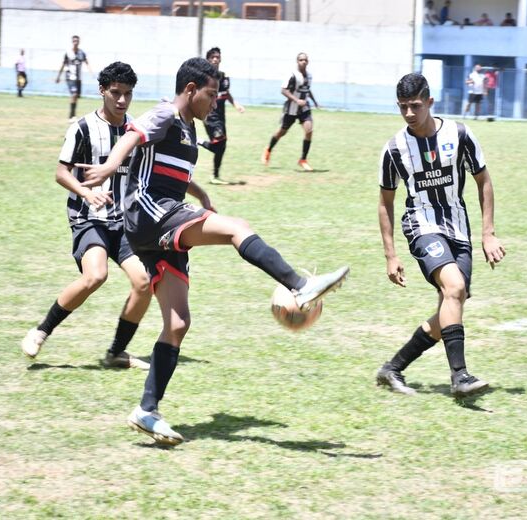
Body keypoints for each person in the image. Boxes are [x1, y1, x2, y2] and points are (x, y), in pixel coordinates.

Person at [79, 57, 349, 445]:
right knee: (238, 229)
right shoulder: (167, 114)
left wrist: (200, 192)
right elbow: (131, 137)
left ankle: (147, 410)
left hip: (160, 223)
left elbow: (167, 172)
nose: (215, 102)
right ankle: (299, 285)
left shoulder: (188, 131)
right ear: (191, 90)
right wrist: (108, 167)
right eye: (211, 94)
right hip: (148, 215)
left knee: (178, 324)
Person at [375, 73, 505, 398]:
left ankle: (392, 368)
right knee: (455, 287)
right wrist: (391, 255)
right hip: (422, 227)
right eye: (403, 107)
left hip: (459, 229)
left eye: (415, 106)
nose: (409, 113)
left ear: (430, 102)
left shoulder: (459, 134)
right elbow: (385, 203)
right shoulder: (394, 149)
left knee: (451, 305)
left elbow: (483, 181)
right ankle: (460, 376)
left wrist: (488, 234)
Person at [21, 61, 153, 370]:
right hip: (88, 217)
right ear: (102, 91)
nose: (122, 101)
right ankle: (41, 332)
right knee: (95, 275)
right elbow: (60, 173)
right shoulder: (82, 127)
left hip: (122, 221)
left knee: (144, 282)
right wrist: (86, 192)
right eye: (116, 93)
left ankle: (116, 353)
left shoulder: (135, 129)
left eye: (128, 94)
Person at [261, 52, 321, 172]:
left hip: (304, 108)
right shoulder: (292, 75)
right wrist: (296, 100)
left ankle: (303, 160)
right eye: (301, 60)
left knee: (309, 130)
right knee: (281, 132)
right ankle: (268, 149)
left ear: (308, 62)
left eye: (305, 60)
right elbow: (283, 90)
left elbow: (307, 90)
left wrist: (315, 102)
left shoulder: (309, 76)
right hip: (291, 109)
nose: (303, 62)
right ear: (297, 61)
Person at [198, 46, 245, 185]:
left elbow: (226, 94)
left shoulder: (223, 77)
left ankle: (215, 176)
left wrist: (236, 104)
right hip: (210, 115)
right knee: (219, 142)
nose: (215, 59)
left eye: (217, 57)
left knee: (222, 145)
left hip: (221, 115)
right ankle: (198, 141)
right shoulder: (203, 77)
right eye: (212, 57)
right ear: (207, 60)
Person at [56, 35, 93, 120]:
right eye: (74, 41)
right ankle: (71, 116)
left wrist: (91, 72)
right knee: (74, 94)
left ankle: (73, 114)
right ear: (72, 42)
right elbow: (63, 64)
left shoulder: (81, 53)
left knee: (77, 96)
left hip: (78, 78)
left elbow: (86, 61)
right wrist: (58, 76)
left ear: (79, 42)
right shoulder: (68, 53)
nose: (75, 42)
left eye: (77, 41)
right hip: (70, 77)